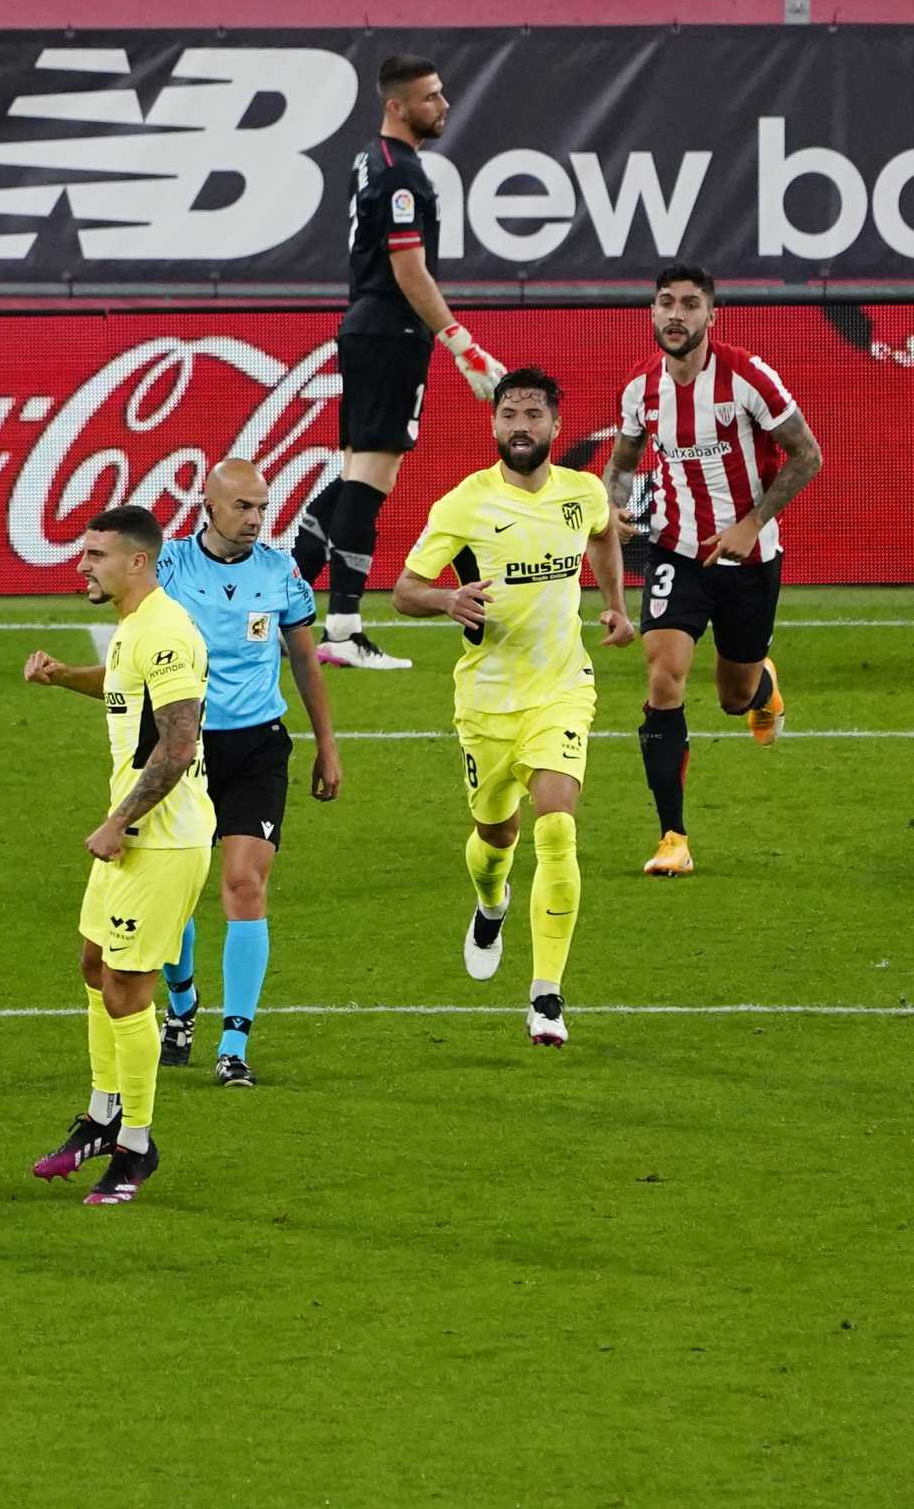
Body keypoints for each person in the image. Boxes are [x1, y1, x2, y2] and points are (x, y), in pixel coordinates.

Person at [31, 461, 342, 1088]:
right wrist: (65, 676)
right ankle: (181, 1001)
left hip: (256, 747)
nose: (255, 519)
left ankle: (235, 1043)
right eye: (242, 507)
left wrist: (327, 746)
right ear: (208, 506)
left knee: (245, 885)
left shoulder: (282, 574)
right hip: (182, 751)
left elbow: (307, 664)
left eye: (261, 507)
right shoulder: (164, 568)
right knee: (174, 890)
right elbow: (129, 672)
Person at [392, 369, 634, 1047]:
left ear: (556, 426)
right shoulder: (464, 505)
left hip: (560, 689)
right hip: (488, 702)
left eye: (533, 414)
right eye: (509, 414)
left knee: (557, 825)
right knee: (496, 837)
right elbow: (405, 589)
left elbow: (604, 535)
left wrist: (615, 604)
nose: (520, 425)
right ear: (493, 425)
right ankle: (491, 902)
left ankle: (546, 996)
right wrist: (446, 599)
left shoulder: (583, 493)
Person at [601, 264, 826, 877]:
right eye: (666, 303)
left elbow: (808, 454)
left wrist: (751, 523)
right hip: (675, 552)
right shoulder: (640, 390)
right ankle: (672, 836)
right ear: (652, 313)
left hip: (749, 559)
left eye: (690, 305)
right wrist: (613, 501)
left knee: (732, 697)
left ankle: (762, 687)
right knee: (663, 677)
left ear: (711, 315)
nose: (676, 315)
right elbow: (622, 460)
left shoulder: (749, 376)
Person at [293, 53, 508, 670]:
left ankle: (277, 601)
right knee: (372, 478)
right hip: (392, 328)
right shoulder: (402, 174)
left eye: (441, 95)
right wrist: (462, 343)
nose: (443, 106)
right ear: (397, 105)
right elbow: (409, 270)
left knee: (356, 474)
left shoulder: (369, 159)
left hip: (366, 324)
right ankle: (342, 625)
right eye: (431, 98)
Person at [28, 506, 212, 1206]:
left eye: (96, 555)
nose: (82, 565)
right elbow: (120, 686)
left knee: (129, 992)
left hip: (161, 839)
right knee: (93, 962)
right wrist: (63, 675)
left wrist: (118, 821)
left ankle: (136, 1145)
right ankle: (103, 1115)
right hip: (135, 835)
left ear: (138, 561)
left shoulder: (165, 631)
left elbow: (179, 742)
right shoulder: (138, 628)